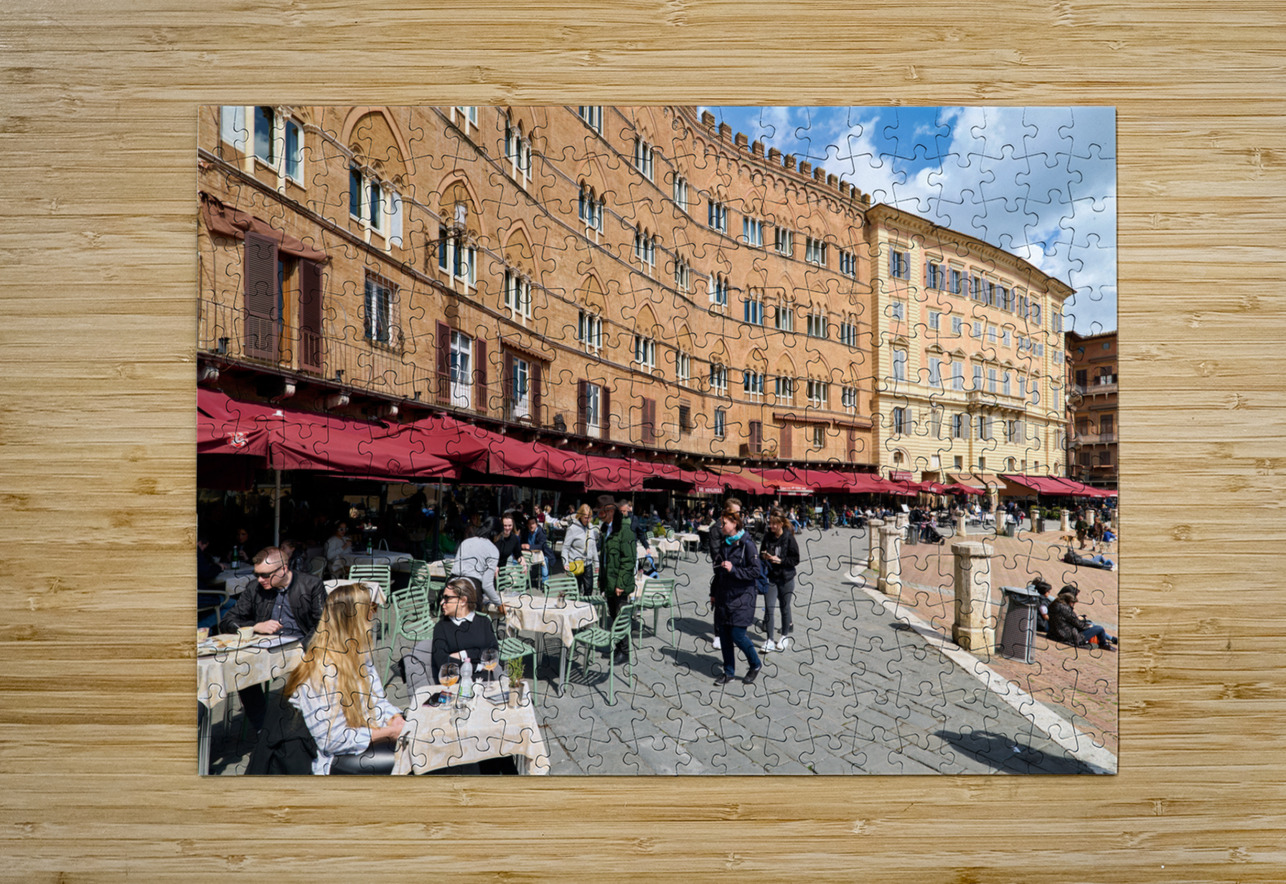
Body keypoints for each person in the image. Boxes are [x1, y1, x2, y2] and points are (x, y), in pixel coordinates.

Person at [282, 584, 405, 774]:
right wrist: (388, 733)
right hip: (333, 758)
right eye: (371, 609)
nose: (375, 616)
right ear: (354, 619)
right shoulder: (319, 670)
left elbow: (378, 701)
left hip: (366, 736)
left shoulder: (359, 655)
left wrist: (394, 719)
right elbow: (332, 740)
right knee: (410, 760)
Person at [711, 509, 763, 685]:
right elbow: (718, 572)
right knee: (725, 635)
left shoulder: (747, 544)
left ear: (734, 524)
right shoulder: (725, 544)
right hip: (725, 596)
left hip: (743, 597)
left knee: (737, 635)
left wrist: (734, 569)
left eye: (724, 523)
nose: (721, 526)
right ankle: (729, 672)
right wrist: (713, 593)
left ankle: (755, 664)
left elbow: (756, 571)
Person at [598, 503, 636, 665]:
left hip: (619, 584)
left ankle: (625, 652)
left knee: (621, 617)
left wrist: (620, 583)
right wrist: (601, 578)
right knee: (613, 615)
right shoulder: (607, 530)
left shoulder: (625, 531)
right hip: (609, 581)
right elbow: (604, 558)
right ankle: (617, 647)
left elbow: (629, 561)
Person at [759, 511, 800, 653]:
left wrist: (781, 560)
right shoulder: (767, 536)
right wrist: (765, 556)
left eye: (774, 524)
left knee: (784, 607)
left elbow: (796, 559)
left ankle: (784, 636)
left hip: (786, 578)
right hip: (770, 577)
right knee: (769, 607)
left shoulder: (789, 538)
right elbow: (761, 553)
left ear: (781, 524)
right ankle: (770, 639)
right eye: (770, 523)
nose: (771, 526)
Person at [706, 497, 742, 650]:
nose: (739, 515)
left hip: (736, 572)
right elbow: (715, 554)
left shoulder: (739, 527)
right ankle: (718, 635)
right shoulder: (716, 529)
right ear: (727, 511)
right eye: (736, 512)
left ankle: (731, 632)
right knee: (720, 605)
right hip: (722, 571)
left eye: (739, 513)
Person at [1047, 586, 1117, 651]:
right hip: (1069, 637)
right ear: (1069, 601)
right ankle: (1104, 644)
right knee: (1099, 628)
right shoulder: (1066, 609)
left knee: (1092, 626)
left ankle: (1106, 642)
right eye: (1072, 603)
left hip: (1054, 634)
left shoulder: (1054, 604)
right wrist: (1088, 626)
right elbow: (1078, 624)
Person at [455, 521, 502, 609]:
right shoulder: (493, 550)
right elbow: (487, 585)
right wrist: (498, 603)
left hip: (452, 586)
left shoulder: (465, 542)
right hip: (471, 591)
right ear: (495, 535)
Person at [562, 504, 598, 597]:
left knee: (589, 590)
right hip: (576, 562)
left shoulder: (591, 527)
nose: (588, 520)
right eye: (586, 517)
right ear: (580, 516)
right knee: (576, 590)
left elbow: (593, 547)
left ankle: (586, 608)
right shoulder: (573, 528)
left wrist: (597, 564)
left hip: (588, 563)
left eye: (590, 517)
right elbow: (565, 548)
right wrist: (565, 563)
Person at [522, 514, 555, 583]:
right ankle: (523, 582)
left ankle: (545, 583)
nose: (531, 526)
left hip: (543, 553)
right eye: (529, 524)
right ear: (527, 525)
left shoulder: (541, 532)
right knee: (519, 560)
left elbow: (541, 546)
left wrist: (530, 546)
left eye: (533, 523)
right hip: (529, 555)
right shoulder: (525, 532)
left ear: (536, 524)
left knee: (545, 561)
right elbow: (522, 542)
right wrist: (522, 545)